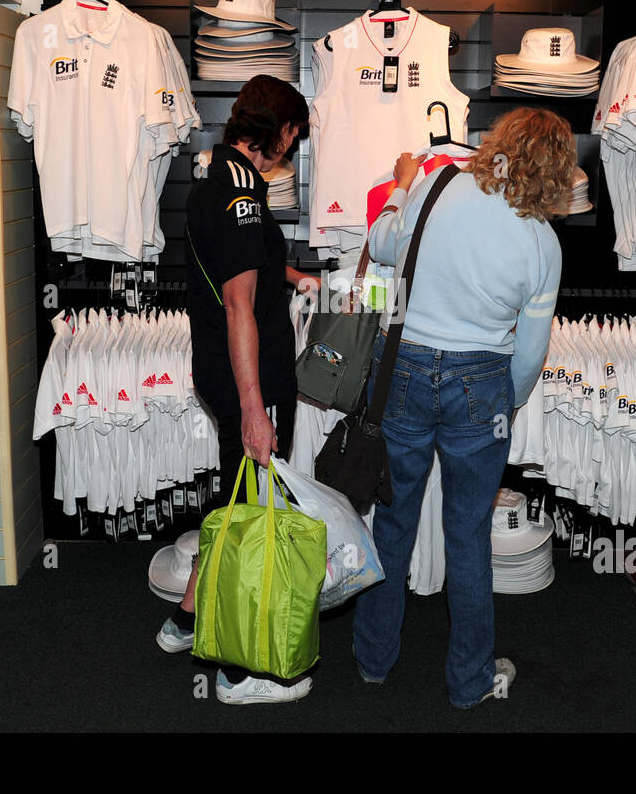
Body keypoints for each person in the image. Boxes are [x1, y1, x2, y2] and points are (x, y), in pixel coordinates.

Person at [353, 106, 572, 709]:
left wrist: (399, 185)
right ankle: (469, 681)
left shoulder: (437, 185)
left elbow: (380, 244)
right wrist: (508, 403)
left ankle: (373, 662)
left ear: (498, 143)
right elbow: (528, 357)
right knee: (468, 536)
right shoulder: (542, 243)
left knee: (391, 522)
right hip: (481, 382)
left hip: (405, 370)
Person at [156, 74, 320, 705]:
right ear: (276, 131)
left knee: (232, 497)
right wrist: (256, 408)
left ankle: (186, 619)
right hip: (249, 379)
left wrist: (291, 272)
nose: (293, 147)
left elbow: (236, 258)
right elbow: (238, 302)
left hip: (220, 371)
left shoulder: (215, 178)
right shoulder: (245, 188)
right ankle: (238, 670)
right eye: (293, 135)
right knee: (253, 512)